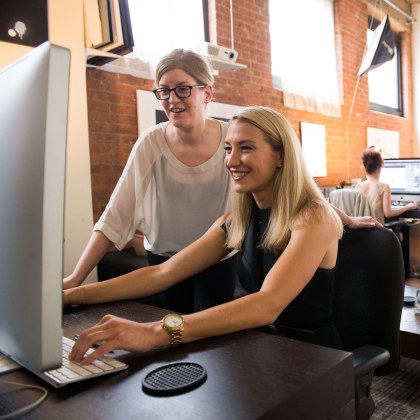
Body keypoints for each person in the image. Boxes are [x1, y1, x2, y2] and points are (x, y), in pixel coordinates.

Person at [65, 106, 348, 364]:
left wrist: (153, 332)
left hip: (311, 357)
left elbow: (267, 305)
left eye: (246, 148)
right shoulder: (237, 219)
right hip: (259, 345)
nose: (232, 160)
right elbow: (162, 273)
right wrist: (72, 295)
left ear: (281, 155)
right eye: (228, 148)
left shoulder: (314, 217)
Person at [63, 48, 238, 313]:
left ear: (208, 93)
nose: (171, 99)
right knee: (173, 331)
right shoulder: (151, 143)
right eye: (163, 91)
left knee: (212, 338)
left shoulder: (231, 140)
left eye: (182, 89)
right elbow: (115, 215)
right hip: (164, 259)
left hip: (218, 258)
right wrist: (76, 278)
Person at [356, 148, 417, 224]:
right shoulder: (384, 187)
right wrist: (408, 206)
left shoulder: (358, 186)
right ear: (381, 165)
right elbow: (388, 214)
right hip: (376, 230)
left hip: (360, 231)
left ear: (365, 166)